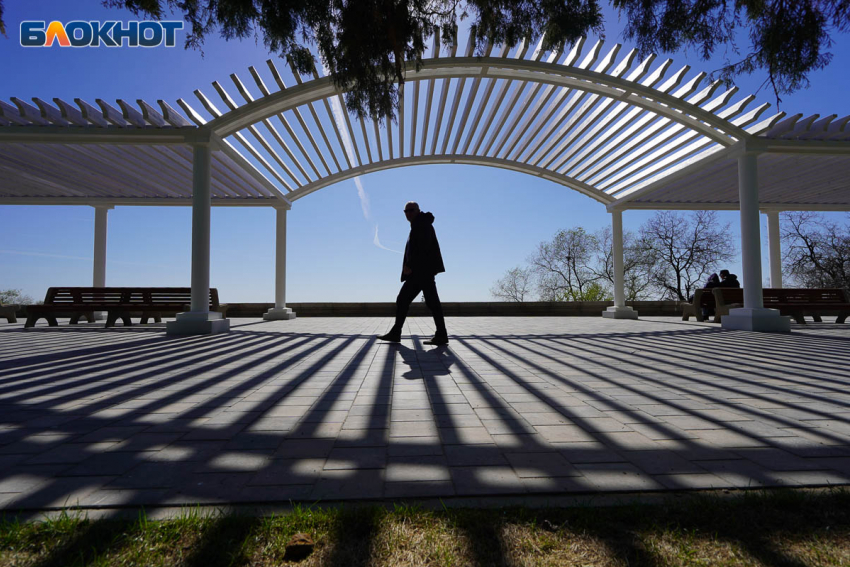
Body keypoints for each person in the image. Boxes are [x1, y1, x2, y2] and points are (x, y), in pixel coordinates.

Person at [378, 201, 448, 345]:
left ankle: (397, 332)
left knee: (405, 299)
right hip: (423, 271)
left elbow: (422, 248)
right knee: (430, 302)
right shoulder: (420, 224)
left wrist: (410, 265)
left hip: (421, 271)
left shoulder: (421, 225)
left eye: (411, 210)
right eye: (406, 211)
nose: (408, 213)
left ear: (418, 210)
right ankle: (440, 334)